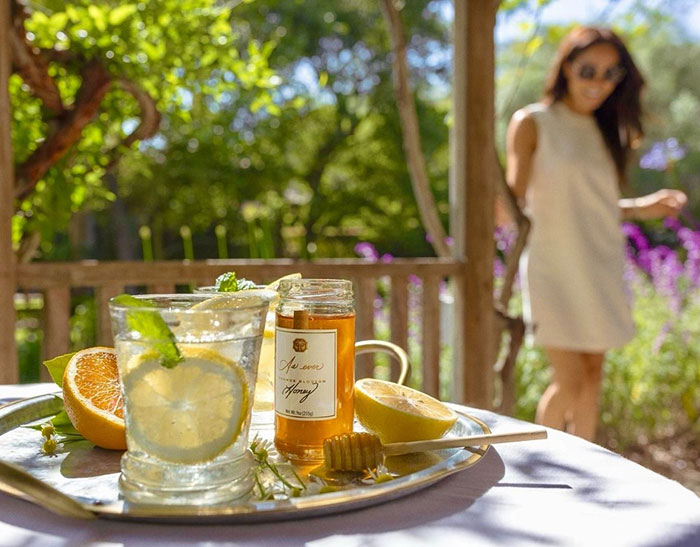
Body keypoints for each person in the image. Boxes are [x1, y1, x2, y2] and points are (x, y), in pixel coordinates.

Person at [506, 26, 687, 441]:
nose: (599, 83)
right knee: (567, 381)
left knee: (591, 379)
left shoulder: (610, 132)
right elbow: (516, 206)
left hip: (599, 263)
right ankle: (541, 468)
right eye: (589, 70)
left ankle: (586, 477)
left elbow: (589, 205)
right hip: (553, 265)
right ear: (567, 66)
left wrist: (641, 207)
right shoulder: (533, 122)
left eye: (611, 74)